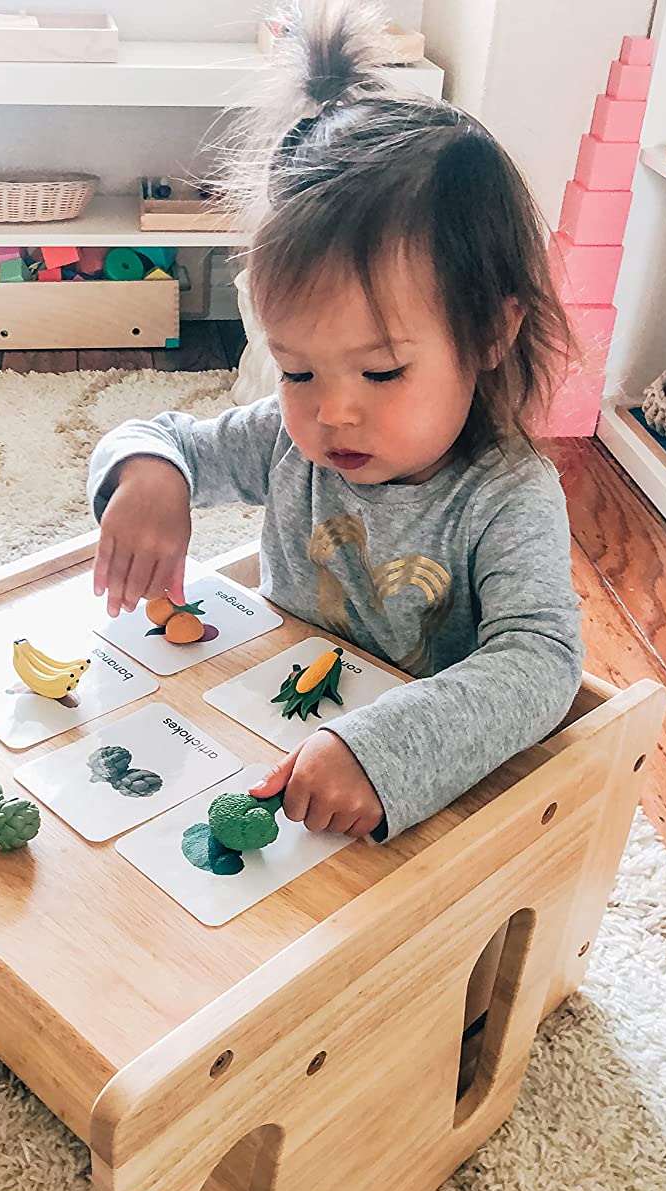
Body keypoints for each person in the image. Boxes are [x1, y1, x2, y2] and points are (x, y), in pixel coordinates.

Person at [86, 0, 584, 845]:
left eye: (382, 370)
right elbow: (165, 437)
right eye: (296, 370)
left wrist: (380, 751)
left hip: (413, 790)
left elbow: (540, 664)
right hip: (276, 731)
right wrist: (148, 476)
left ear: (492, 333)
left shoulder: (506, 496)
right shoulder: (289, 440)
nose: (332, 409)